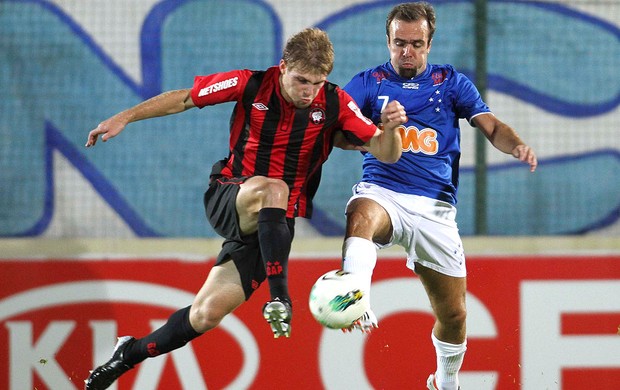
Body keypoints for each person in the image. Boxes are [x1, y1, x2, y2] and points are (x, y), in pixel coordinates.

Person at [83, 27, 407, 389]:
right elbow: (184, 99)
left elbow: (385, 152)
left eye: (316, 83)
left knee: (205, 315)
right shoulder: (249, 84)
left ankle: (128, 354)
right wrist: (125, 116)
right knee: (273, 188)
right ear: (282, 66)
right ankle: (280, 298)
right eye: (301, 80)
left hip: (272, 227)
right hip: (231, 195)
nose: (308, 91)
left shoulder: (335, 103)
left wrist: (391, 131)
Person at [339, 3, 537, 390]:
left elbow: (491, 125)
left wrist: (516, 146)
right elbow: (334, 133)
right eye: (399, 44)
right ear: (388, 41)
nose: (407, 52)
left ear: (429, 43)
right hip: (385, 191)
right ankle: (354, 288)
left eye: (416, 44)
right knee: (361, 214)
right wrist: (375, 135)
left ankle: (446, 382)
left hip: (435, 210)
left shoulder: (451, 83)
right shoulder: (366, 84)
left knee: (454, 314)